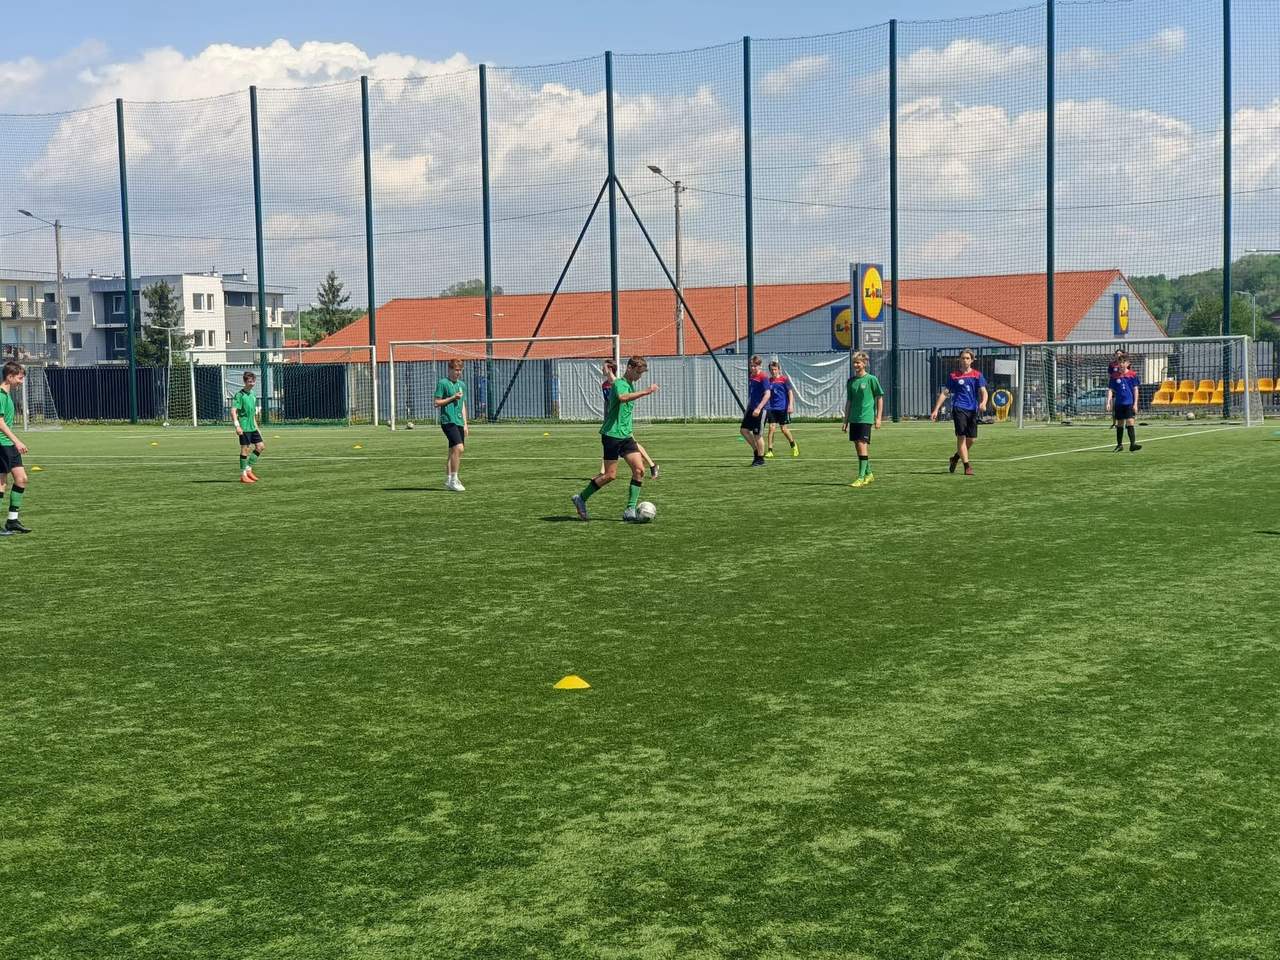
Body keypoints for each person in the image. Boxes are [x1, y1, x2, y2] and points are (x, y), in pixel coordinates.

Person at [573, 356, 659, 522]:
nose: (639, 376)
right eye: (638, 372)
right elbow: (622, 398)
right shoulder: (620, 384)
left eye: (641, 373)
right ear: (629, 368)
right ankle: (581, 498)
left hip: (626, 436)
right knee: (609, 476)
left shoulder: (629, 384)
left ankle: (630, 510)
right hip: (612, 435)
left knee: (639, 470)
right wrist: (646, 391)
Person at [930, 348, 988, 476]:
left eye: (967, 358)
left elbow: (984, 391)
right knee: (961, 437)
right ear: (959, 360)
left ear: (972, 360)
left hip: (972, 410)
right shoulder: (954, 376)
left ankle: (955, 458)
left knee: (971, 439)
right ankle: (967, 466)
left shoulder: (977, 375)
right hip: (958, 408)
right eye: (963, 358)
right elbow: (945, 393)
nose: (965, 360)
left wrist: (983, 402)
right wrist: (936, 409)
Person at [600, 359, 658, 479]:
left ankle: (652, 465)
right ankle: (651, 465)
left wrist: (646, 391)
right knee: (630, 446)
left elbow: (622, 397)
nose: (602, 369)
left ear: (609, 369)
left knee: (633, 445)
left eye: (604, 367)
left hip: (619, 423)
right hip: (614, 419)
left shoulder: (617, 382)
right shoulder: (611, 381)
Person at [841, 351, 884, 487]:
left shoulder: (871, 379)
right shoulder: (851, 381)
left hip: (866, 418)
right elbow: (849, 401)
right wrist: (845, 421)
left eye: (858, 362)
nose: (856, 365)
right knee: (858, 447)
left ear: (864, 363)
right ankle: (869, 474)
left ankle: (860, 477)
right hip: (854, 418)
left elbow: (879, 397)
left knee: (861, 445)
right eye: (854, 363)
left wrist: (878, 418)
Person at [0, 361, 32, 535]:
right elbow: (0, 423)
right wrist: (17, 441)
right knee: (1, 482)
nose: (21, 381)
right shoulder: (0, 395)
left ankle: (12, 521)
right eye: (19, 378)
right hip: (1, 444)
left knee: (21, 479)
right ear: (9, 377)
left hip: (8, 444)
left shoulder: (7, 394)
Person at [434, 358, 469, 491]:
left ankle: (448, 480)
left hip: (459, 421)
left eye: (460, 370)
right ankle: (454, 479)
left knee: (453, 451)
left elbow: (463, 405)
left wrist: (465, 424)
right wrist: (453, 397)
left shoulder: (462, 385)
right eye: (456, 370)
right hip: (448, 420)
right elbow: (436, 402)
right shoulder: (443, 383)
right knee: (459, 448)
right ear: (450, 369)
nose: (458, 372)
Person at [233, 371, 265, 484]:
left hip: (253, 427)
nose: (252, 384)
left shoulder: (253, 395)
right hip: (244, 427)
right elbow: (233, 411)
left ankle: (248, 469)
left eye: (253, 381)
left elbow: (252, 414)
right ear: (245, 382)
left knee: (260, 446)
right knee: (245, 450)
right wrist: (237, 426)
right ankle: (243, 475)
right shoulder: (239, 395)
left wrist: (257, 428)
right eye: (249, 382)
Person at [1106, 356, 1143, 453]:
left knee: (1130, 422)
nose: (1121, 364)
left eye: (1123, 362)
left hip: (1129, 403)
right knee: (1120, 423)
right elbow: (1110, 389)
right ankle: (1119, 445)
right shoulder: (1114, 376)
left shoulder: (1132, 375)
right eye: (1120, 363)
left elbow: (1135, 389)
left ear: (1127, 364)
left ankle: (1132, 444)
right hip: (1119, 403)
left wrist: (1135, 404)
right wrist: (1108, 402)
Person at [764, 360, 799, 458]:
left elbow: (790, 392)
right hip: (771, 408)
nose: (773, 371)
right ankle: (770, 451)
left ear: (779, 370)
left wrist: (790, 405)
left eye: (775, 369)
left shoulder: (784, 379)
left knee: (784, 429)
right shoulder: (769, 381)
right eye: (771, 370)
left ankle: (793, 445)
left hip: (782, 408)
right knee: (771, 428)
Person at [740, 355, 770, 467]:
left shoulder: (763, 377)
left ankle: (760, 459)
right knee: (744, 430)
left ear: (760, 366)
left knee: (757, 434)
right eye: (751, 366)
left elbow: (767, 394)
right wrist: (748, 409)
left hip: (761, 410)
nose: (752, 368)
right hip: (751, 409)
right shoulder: (752, 377)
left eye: (755, 366)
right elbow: (752, 395)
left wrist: (759, 408)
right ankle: (756, 451)